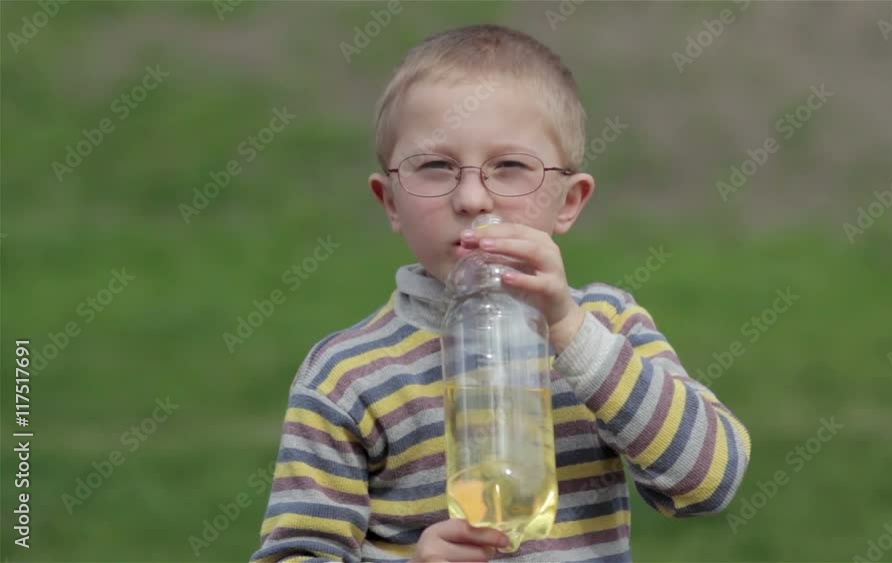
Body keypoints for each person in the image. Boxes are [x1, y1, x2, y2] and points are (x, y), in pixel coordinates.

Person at [251, 23, 751, 563]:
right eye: (436, 166)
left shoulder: (603, 325)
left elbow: (709, 480)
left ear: (569, 201)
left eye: (509, 167)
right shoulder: (346, 375)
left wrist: (568, 329)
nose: (472, 198)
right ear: (390, 201)